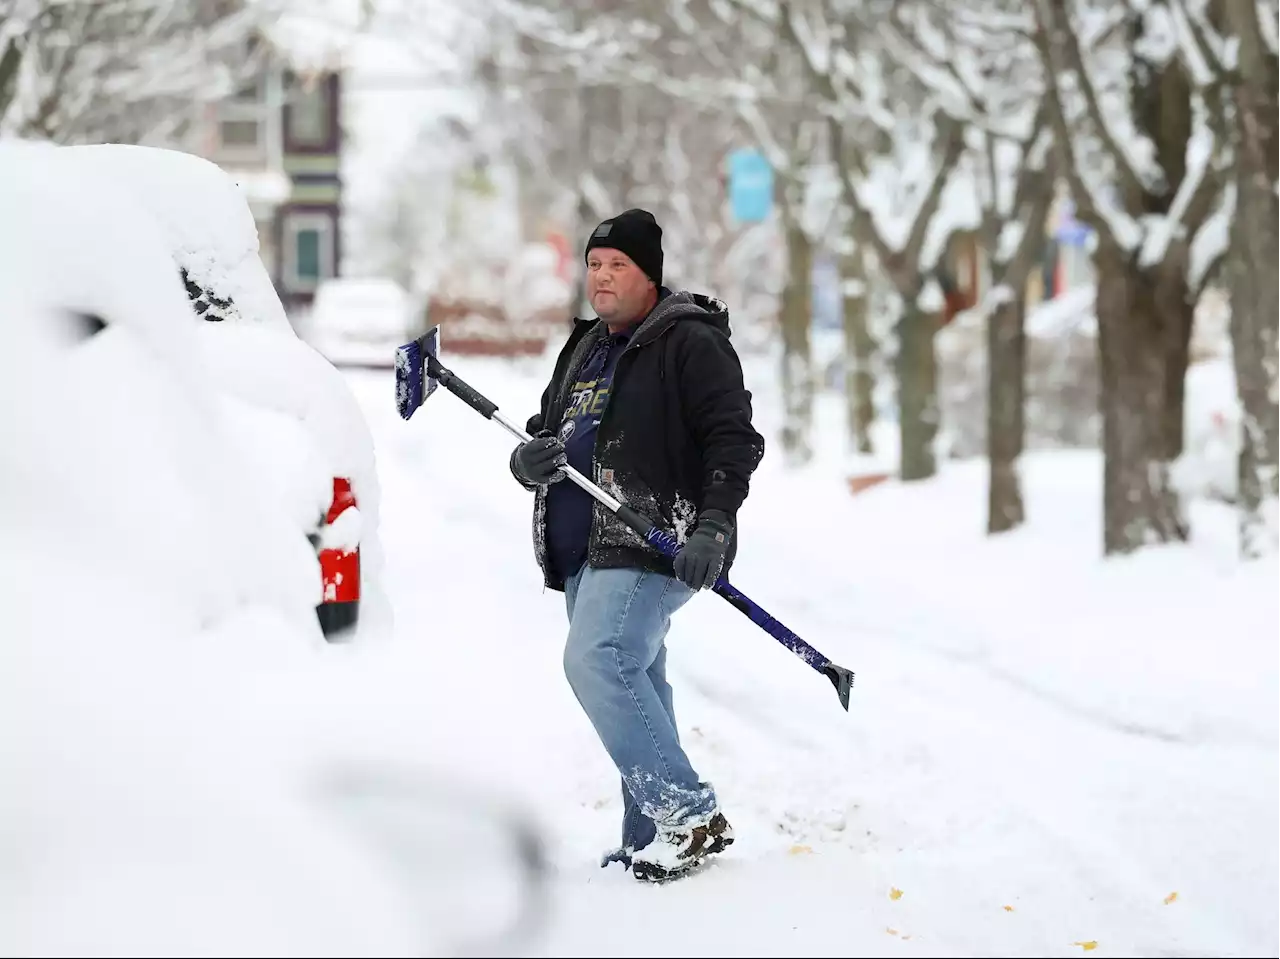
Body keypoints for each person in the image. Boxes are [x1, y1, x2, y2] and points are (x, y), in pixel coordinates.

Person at [508, 208, 766, 882]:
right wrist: (527, 460)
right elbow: (548, 430)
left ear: (648, 274)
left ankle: (688, 815)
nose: (602, 276)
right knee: (637, 675)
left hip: (655, 538)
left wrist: (713, 525)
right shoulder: (586, 346)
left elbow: (733, 439)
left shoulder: (689, 342)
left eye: (617, 264)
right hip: (581, 548)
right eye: (594, 264)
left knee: (599, 658)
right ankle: (651, 833)